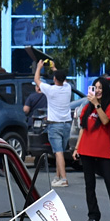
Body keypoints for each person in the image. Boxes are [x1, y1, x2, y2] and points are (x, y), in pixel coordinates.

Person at [72, 76, 110, 221]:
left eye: (100, 88)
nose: (97, 91)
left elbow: (105, 121)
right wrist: (77, 148)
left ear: (105, 90)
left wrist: (97, 105)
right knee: (89, 184)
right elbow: (84, 128)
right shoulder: (87, 107)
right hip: (86, 149)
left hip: (102, 150)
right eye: (95, 88)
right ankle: (93, 216)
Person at [34, 59, 73, 187]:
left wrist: (39, 67)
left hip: (54, 124)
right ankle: (58, 176)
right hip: (67, 123)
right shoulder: (68, 88)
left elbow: (37, 80)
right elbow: (62, 79)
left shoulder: (51, 90)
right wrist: (54, 68)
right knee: (60, 151)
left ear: (55, 79)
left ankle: (64, 179)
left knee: (58, 152)